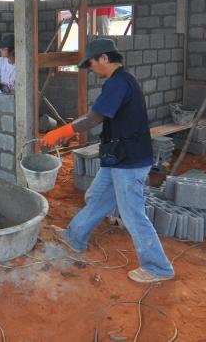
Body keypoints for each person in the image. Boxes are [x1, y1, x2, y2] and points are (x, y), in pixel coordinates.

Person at [42, 39, 174, 284]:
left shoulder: (119, 83)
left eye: (91, 63)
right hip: (118, 156)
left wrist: (62, 132)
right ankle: (75, 237)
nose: (92, 68)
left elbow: (95, 117)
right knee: (98, 195)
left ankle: (158, 267)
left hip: (130, 160)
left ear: (104, 58)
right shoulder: (119, 82)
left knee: (132, 213)